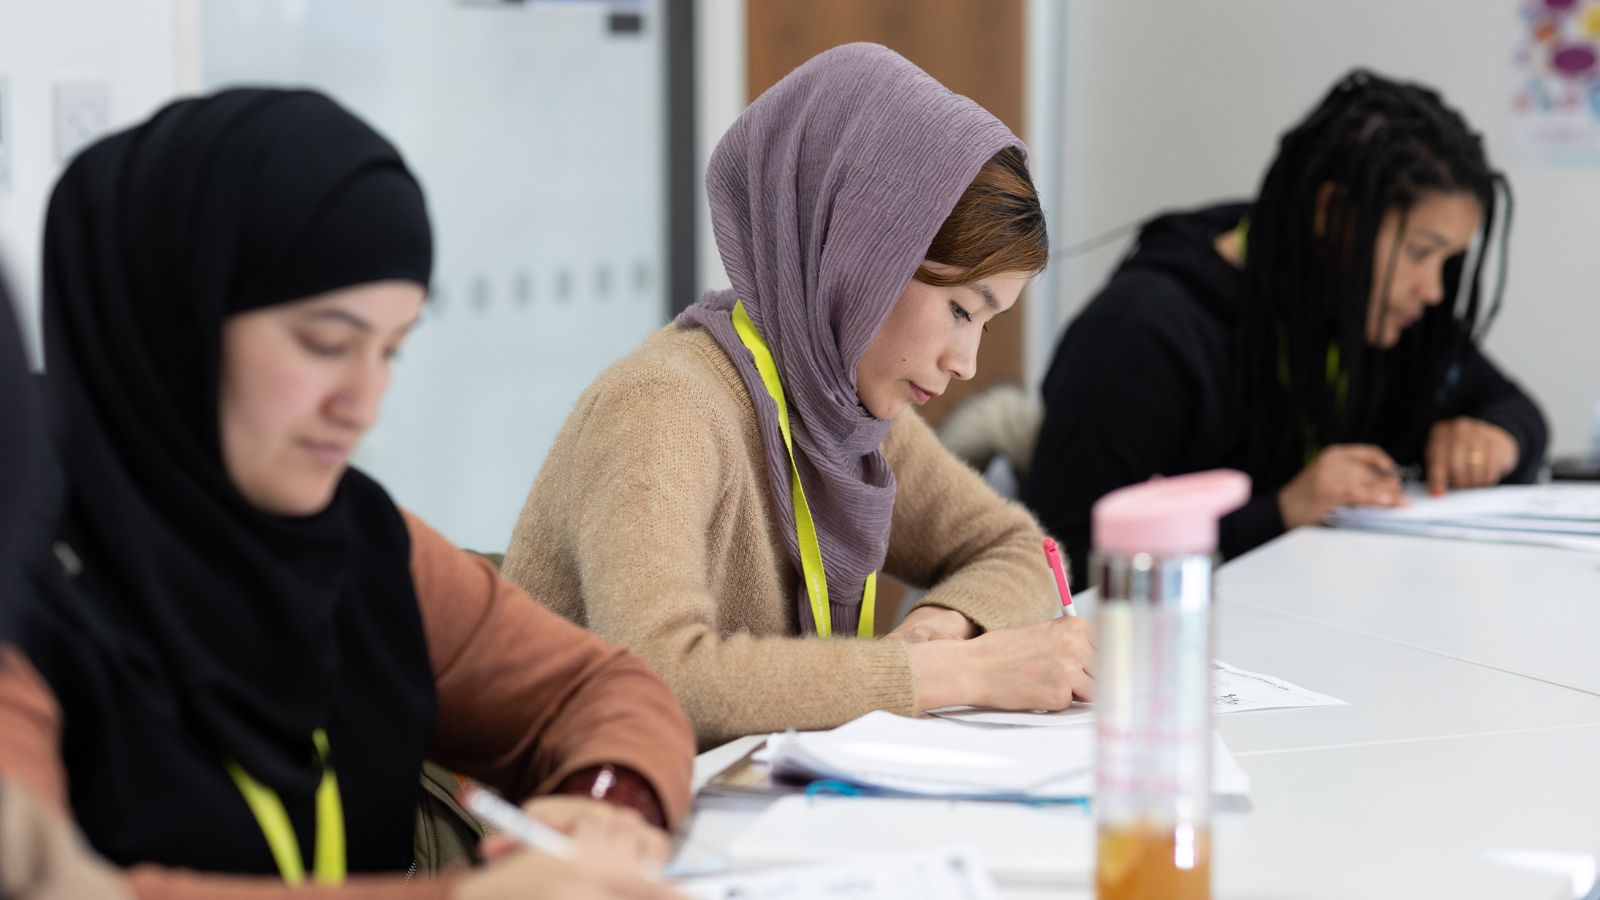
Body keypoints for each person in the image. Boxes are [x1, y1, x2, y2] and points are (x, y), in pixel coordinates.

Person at [0, 88, 691, 899]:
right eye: (326, 344)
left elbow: (601, 688)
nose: (364, 404)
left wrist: (608, 803)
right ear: (179, 320)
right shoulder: (27, 586)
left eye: (390, 350)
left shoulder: (350, 537)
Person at [501, 43, 1096, 749]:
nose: (965, 362)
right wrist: (948, 675)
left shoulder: (844, 408)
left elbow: (1019, 548)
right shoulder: (665, 407)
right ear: (864, 254)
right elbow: (658, 676)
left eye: (987, 323)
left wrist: (948, 628)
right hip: (571, 833)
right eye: (961, 310)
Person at [1023, 69, 1548, 589]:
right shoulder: (1140, 333)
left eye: (1446, 262)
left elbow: (1516, 409)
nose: (1433, 290)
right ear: (1334, 213)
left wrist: (1496, 438)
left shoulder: (1391, 318)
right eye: (1419, 253)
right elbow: (1062, 562)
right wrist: (1283, 511)